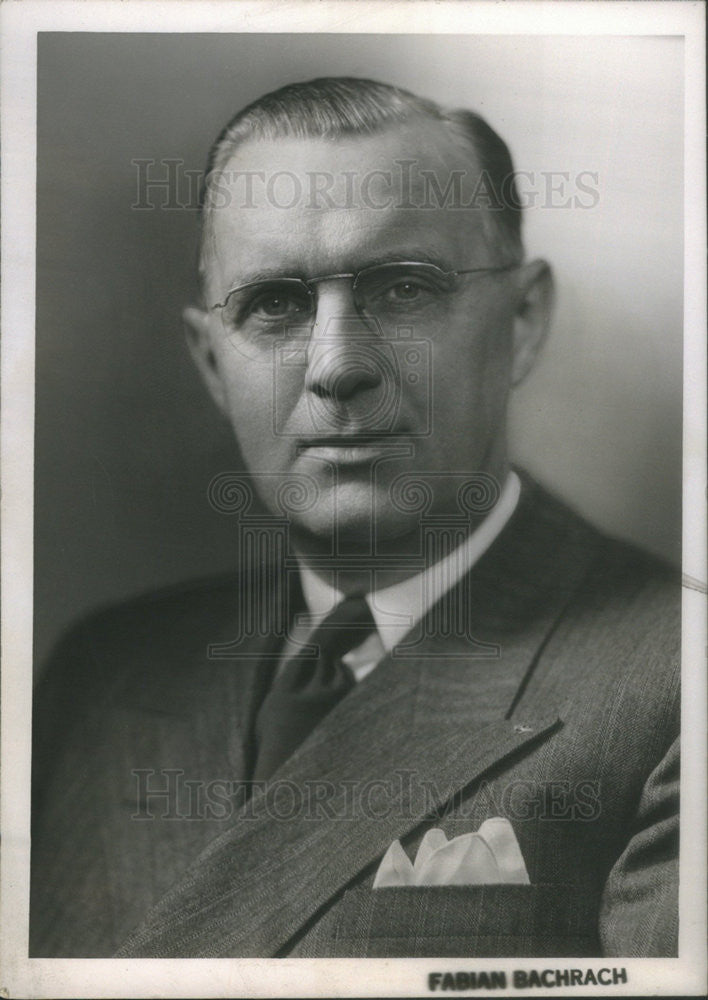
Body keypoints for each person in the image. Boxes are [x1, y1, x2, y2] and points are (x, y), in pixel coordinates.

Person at [30, 77, 679, 959]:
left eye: (403, 290)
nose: (337, 367)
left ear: (522, 322)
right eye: (276, 305)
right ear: (213, 366)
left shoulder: (676, 690)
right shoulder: (97, 679)